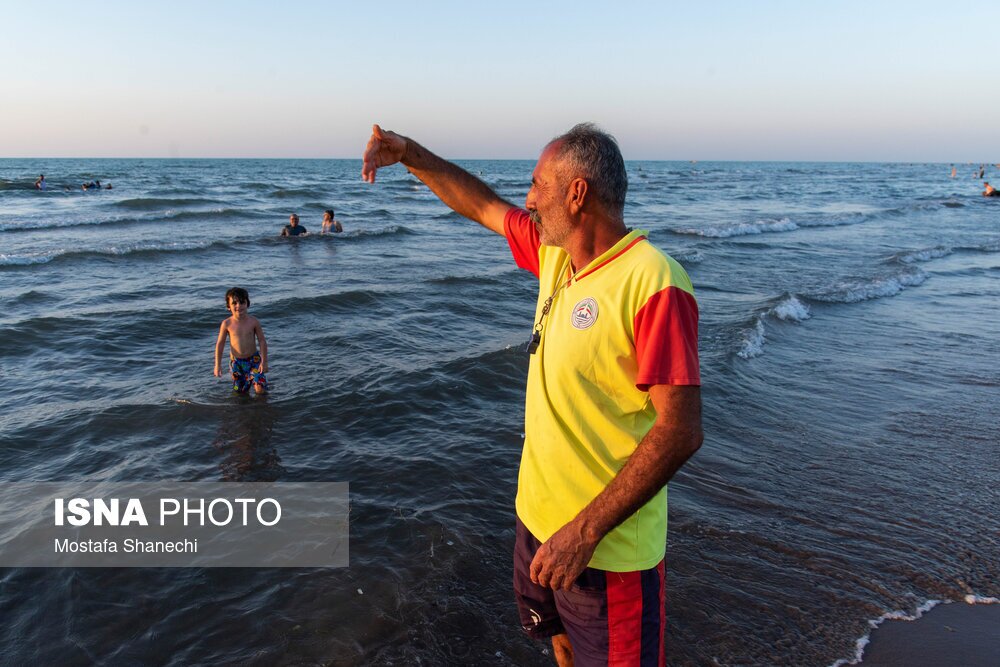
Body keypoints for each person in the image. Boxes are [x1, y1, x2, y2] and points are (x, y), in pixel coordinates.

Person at [362, 123, 703, 666]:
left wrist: (584, 532)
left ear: (577, 192)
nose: (528, 199)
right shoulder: (556, 257)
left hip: (606, 552)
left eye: (538, 183)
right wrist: (409, 155)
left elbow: (680, 429)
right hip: (537, 523)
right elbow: (482, 206)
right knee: (559, 645)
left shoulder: (653, 282)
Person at [214, 287, 269, 394]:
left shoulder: (253, 322)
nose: (238, 306)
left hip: (254, 360)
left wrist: (264, 361)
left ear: (247, 304)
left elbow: (262, 341)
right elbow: (220, 344)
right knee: (240, 392)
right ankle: (243, 409)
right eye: (234, 303)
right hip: (236, 363)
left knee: (260, 388)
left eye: (242, 302)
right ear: (228, 306)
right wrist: (218, 365)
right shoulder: (227, 324)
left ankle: (262, 408)